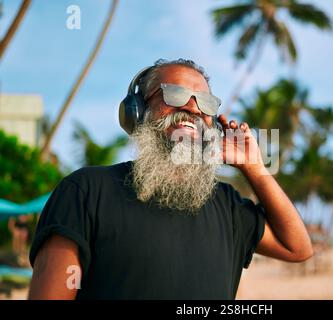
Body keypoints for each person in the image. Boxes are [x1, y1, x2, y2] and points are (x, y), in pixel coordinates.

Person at [28, 58, 313, 300]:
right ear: (137, 111)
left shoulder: (229, 207)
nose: (192, 109)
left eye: (205, 103)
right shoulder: (85, 191)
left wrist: (254, 168)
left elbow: (297, 247)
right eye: (174, 94)